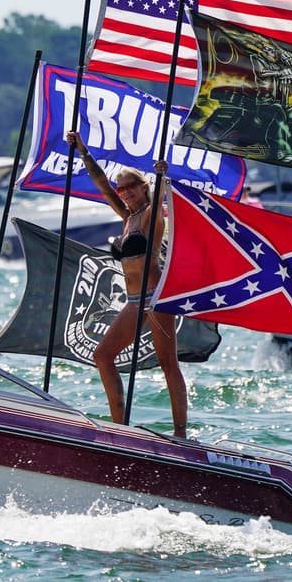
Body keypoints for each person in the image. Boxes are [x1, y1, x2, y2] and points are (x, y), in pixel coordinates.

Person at [66, 129, 188, 438]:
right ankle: (120, 429)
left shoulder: (150, 216)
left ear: (143, 188)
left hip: (156, 298)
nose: (125, 192)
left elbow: (160, 199)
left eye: (131, 186)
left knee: (167, 363)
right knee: (103, 356)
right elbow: (103, 186)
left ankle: (180, 432)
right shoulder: (127, 217)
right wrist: (81, 150)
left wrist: (161, 176)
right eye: (122, 189)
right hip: (133, 301)